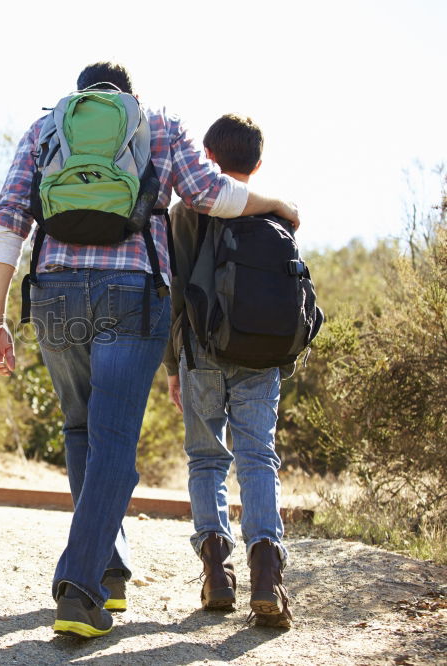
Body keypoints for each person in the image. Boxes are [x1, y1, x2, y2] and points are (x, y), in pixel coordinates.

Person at [0, 62, 301, 638]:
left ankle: (109, 572)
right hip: (131, 293)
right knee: (112, 443)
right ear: (127, 97)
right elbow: (208, 194)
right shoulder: (156, 123)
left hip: (53, 293)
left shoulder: (46, 129)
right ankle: (80, 589)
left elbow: (8, 222)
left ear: (82, 97)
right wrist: (275, 204)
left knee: (80, 431)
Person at [164, 114, 293, 628]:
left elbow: (174, 288)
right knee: (258, 458)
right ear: (257, 163)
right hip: (262, 357)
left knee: (205, 460)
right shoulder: (277, 214)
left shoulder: (187, 211)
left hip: (202, 353)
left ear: (208, 160)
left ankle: (217, 573)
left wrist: (173, 364)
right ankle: (268, 575)